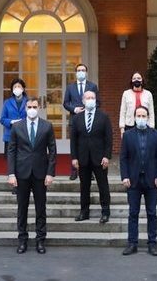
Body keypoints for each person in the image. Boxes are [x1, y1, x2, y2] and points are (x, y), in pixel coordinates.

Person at [7, 97, 56, 255]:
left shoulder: (47, 126)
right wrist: (11, 173)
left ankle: (40, 240)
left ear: (39, 107)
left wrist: (50, 173)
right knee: (22, 208)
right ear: (26, 108)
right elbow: (12, 151)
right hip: (21, 173)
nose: (32, 109)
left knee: (40, 208)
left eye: (35, 106)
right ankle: (22, 240)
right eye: (29, 106)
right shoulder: (17, 127)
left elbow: (53, 151)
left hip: (41, 174)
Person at [120, 106, 157, 256]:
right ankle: (132, 243)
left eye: (143, 115)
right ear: (134, 117)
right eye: (138, 115)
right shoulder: (127, 135)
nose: (141, 118)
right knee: (133, 213)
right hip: (133, 180)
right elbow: (123, 158)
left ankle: (152, 243)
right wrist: (124, 176)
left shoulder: (156, 135)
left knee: (152, 213)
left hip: (151, 181)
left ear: (148, 117)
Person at [71, 90, 112, 224]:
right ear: (83, 101)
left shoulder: (104, 116)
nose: (90, 100)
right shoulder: (77, 118)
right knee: (84, 186)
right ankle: (84, 212)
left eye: (92, 98)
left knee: (103, 185)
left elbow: (109, 138)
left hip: (99, 158)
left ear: (96, 100)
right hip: (83, 158)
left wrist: (107, 156)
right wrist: (74, 157)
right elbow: (73, 140)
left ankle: (105, 212)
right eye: (87, 98)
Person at [63, 63, 99, 180]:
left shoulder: (92, 86)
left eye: (83, 70)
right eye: (79, 70)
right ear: (76, 73)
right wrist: (74, 109)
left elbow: (98, 102)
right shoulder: (70, 87)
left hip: (89, 120)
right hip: (74, 120)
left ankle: (91, 171)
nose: (81, 72)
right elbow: (66, 103)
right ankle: (74, 171)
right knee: (75, 145)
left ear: (86, 72)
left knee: (90, 145)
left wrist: (89, 108)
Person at [0, 78, 28, 195]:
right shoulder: (7, 102)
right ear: (12, 89)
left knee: (23, 160)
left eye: (19, 87)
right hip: (10, 135)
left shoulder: (28, 101)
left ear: (23, 88)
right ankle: (14, 185)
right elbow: (2, 119)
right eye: (15, 87)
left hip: (25, 135)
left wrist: (22, 122)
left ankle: (24, 183)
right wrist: (12, 122)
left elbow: (33, 116)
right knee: (12, 160)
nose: (17, 89)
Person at [118, 71, 155, 138]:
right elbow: (123, 112)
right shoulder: (126, 94)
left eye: (138, 78)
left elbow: (151, 112)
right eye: (134, 78)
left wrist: (152, 127)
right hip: (130, 125)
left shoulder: (148, 94)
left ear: (142, 80)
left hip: (145, 125)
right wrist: (122, 128)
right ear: (131, 81)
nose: (136, 80)